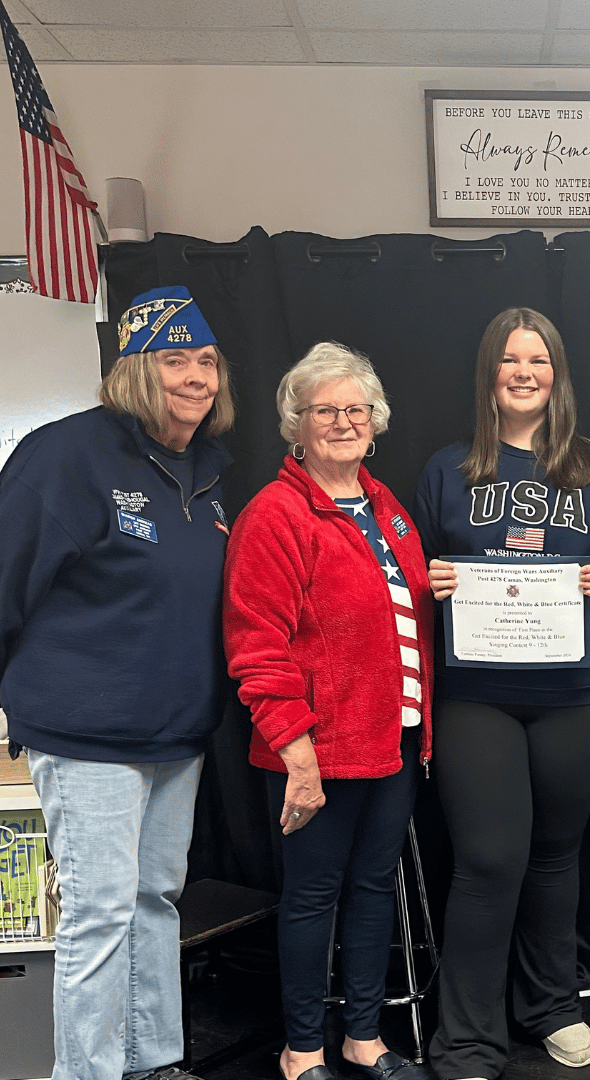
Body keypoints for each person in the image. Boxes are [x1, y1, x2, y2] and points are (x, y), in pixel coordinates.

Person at [0, 287, 234, 1080]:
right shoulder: (67, 454)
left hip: (175, 734)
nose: (198, 377)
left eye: (207, 361)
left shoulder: (206, 475)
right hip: (87, 733)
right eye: (177, 360)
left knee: (152, 904)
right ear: (135, 368)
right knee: (99, 916)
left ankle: (154, 1062)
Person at [413, 308, 590, 1080]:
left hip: (577, 691)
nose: (524, 371)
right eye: (510, 359)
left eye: (538, 359)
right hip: (478, 694)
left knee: (556, 857)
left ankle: (550, 1006)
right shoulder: (448, 468)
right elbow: (414, 574)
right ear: (489, 373)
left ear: (558, 374)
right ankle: (467, 1036)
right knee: (488, 858)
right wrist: (432, 579)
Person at [223, 343, 434, 1080]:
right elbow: (257, 648)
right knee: (313, 899)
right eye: (325, 411)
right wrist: (298, 758)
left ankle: (364, 1038)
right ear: (296, 425)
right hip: (318, 752)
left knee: (376, 889)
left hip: (395, 740)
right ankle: (302, 1048)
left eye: (355, 410)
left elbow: (401, 611)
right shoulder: (275, 515)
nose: (343, 422)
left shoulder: (387, 508)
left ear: (374, 422)